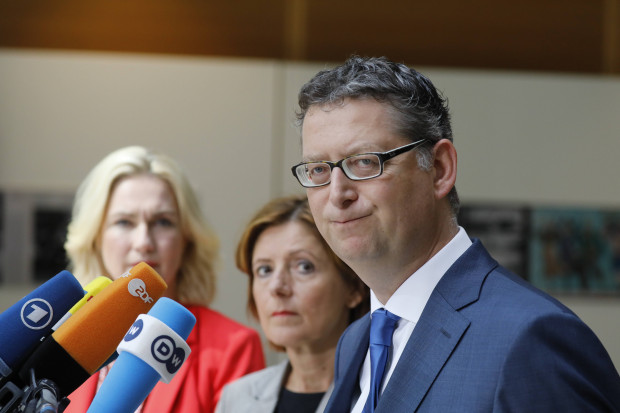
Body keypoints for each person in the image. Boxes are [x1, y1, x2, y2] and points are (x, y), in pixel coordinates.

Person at [290, 56, 620, 412]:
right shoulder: (355, 341)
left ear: (440, 169)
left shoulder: (530, 337)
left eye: (365, 162)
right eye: (318, 169)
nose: (337, 194)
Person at [62, 145, 265, 413]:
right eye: (124, 222)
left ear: (187, 239)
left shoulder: (233, 347)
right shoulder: (63, 339)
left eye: (163, 222)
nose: (143, 242)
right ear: (95, 238)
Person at [215, 195, 369, 413]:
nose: (277, 287)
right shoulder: (237, 398)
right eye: (264, 270)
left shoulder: (381, 392)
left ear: (354, 288)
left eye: (304, 266)